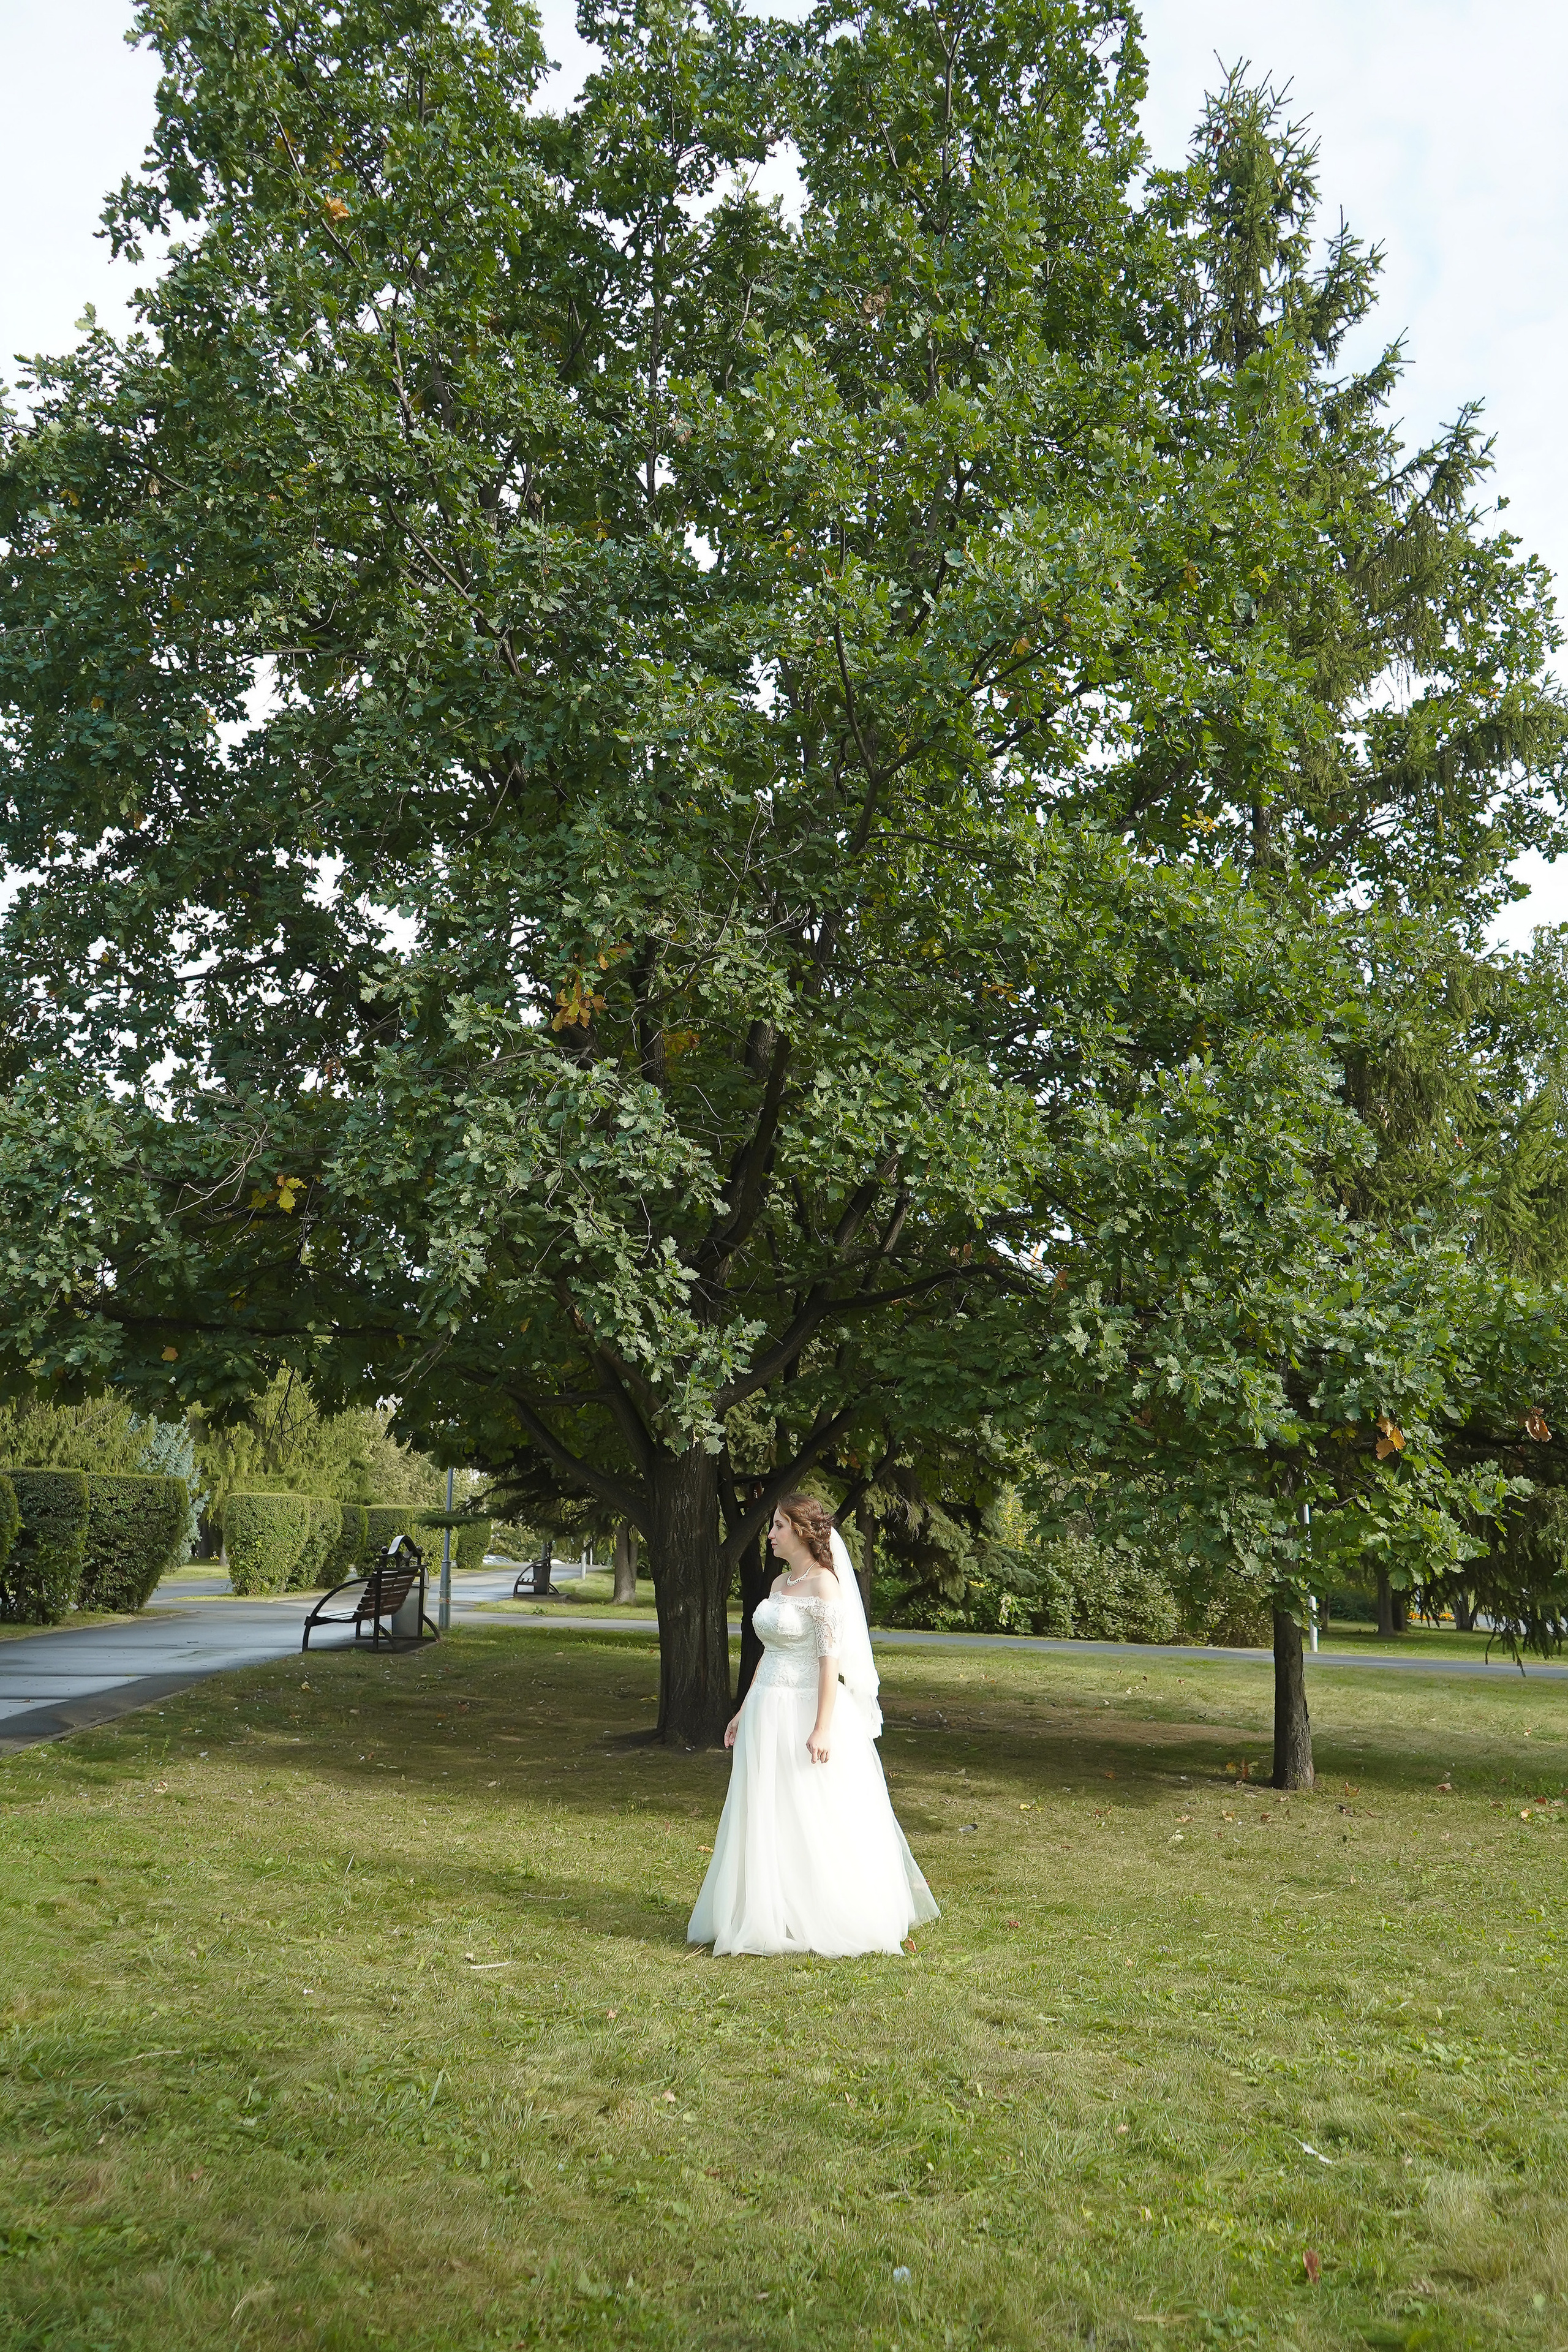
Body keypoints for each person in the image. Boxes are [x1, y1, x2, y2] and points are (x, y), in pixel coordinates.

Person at [687, 1493, 940, 1957]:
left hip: (807, 1708)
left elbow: (830, 1662)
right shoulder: (780, 1583)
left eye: (778, 1526)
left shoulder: (825, 1585)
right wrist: (744, 1709)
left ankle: (826, 1908)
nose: (770, 1535)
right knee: (766, 1804)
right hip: (767, 1707)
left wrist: (823, 1727)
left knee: (811, 1805)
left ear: (802, 1531)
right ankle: (769, 1909)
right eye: (772, 1527)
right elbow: (768, 1653)